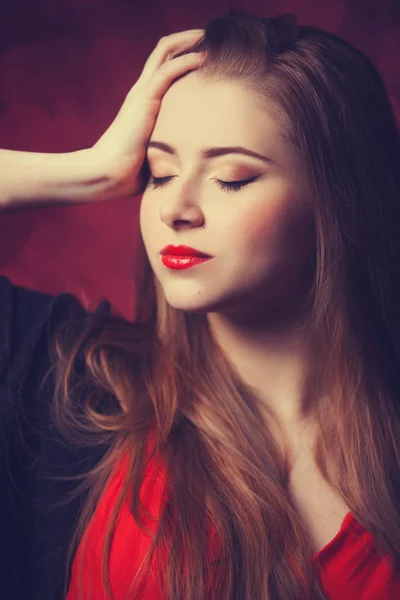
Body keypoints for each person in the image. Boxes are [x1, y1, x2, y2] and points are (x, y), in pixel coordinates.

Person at [1, 8, 400, 600]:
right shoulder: (78, 394)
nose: (174, 208)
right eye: (159, 173)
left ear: (338, 201)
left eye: (232, 178)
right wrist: (89, 171)